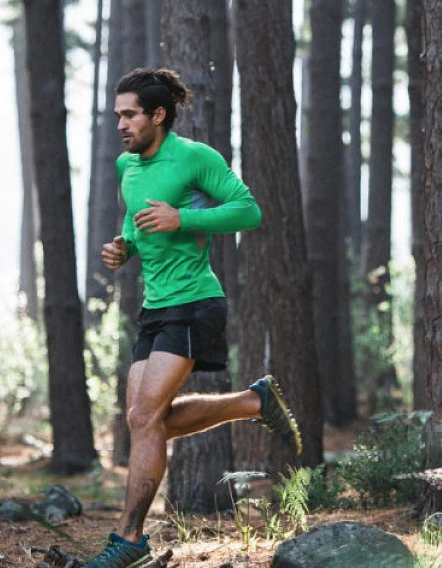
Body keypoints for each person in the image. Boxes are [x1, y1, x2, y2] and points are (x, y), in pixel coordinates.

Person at [85, 68, 302, 568]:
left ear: (158, 115)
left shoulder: (195, 158)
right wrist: (123, 247)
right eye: (117, 115)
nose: (120, 124)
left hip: (194, 300)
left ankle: (129, 540)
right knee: (144, 420)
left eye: (130, 115)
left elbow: (248, 211)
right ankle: (252, 401)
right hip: (154, 307)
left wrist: (182, 218)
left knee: (144, 418)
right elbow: (135, 219)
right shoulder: (126, 165)